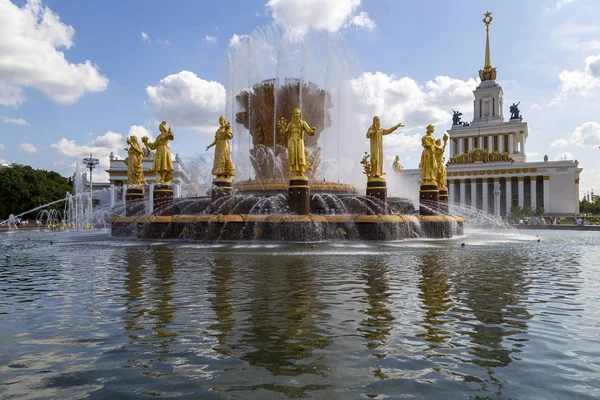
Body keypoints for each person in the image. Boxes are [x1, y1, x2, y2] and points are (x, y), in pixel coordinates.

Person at [278, 108, 316, 177]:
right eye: (295, 113)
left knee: (300, 156)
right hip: (292, 141)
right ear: (293, 115)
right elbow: (285, 132)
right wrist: (282, 129)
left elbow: (308, 130)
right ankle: (295, 172)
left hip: (299, 142)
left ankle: (301, 171)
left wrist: (312, 131)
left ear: (300, 115)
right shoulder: (290, 124)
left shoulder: (303, 123)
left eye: (298, 113)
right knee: (293, 156)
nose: (296, 115)